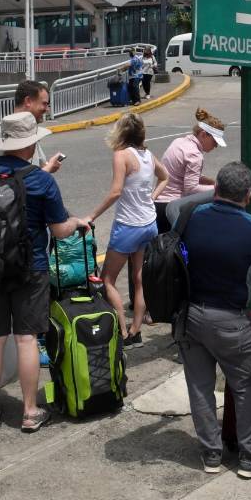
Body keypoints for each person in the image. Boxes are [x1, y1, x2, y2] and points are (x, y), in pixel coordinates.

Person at [0, 112, 89, 433]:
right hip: (31, 269)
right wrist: (76, 222)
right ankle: (29, 412)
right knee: (27, 339)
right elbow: (59, 229)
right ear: (31, 144)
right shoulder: (41, 180)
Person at [178, 162, 251, 476]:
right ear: (248, 195)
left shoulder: (190, 217)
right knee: (246, 387)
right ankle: (250, 459)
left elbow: (172, 212)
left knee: (199, 387)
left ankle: (211, 455)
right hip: (232, 321)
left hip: (190, 315)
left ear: (216, 189)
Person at [87, 112, 169, 344]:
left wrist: (91, 215)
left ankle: (122, 332)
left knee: (107, 280)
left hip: (128, 225)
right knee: (139, 278)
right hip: (148, 223)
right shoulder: (148, 155)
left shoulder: (121, 155)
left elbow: (115, 192)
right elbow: (166, 177)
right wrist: (151, 197)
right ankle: (136, 329)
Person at [154, 108, 226, 234]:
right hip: (172, 208)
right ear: (203, 134)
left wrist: (207, 180)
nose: (216, 146)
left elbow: (183, 173)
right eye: (214, 142)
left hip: (158, 205)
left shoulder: (179, 142)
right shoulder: (195, 155)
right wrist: (218, 189)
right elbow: (191, 188)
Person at [5, 80, 63, 174]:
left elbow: (40, 165)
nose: (47, 110)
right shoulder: (9, 133)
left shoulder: (28, 130)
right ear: (28, 101)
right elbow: (14, 180)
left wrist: (50, 166)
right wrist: (48, 168)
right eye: (44, 104)